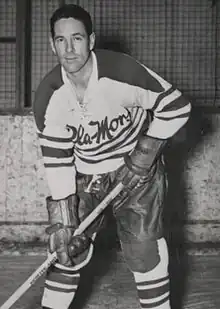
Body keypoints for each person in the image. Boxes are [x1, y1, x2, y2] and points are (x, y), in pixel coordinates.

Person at [33, 4, 191, 309]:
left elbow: (176, 106)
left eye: (77, 38)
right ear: (53, 44)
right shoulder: (49, 98)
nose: (69, 48)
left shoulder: (122, 72)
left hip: (137, 178)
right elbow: (58, 161)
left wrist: (144, 154)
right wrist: (64, 221)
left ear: (91, 40)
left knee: (146, 254)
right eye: (61, 40)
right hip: (86, 178)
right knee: (65, 253)